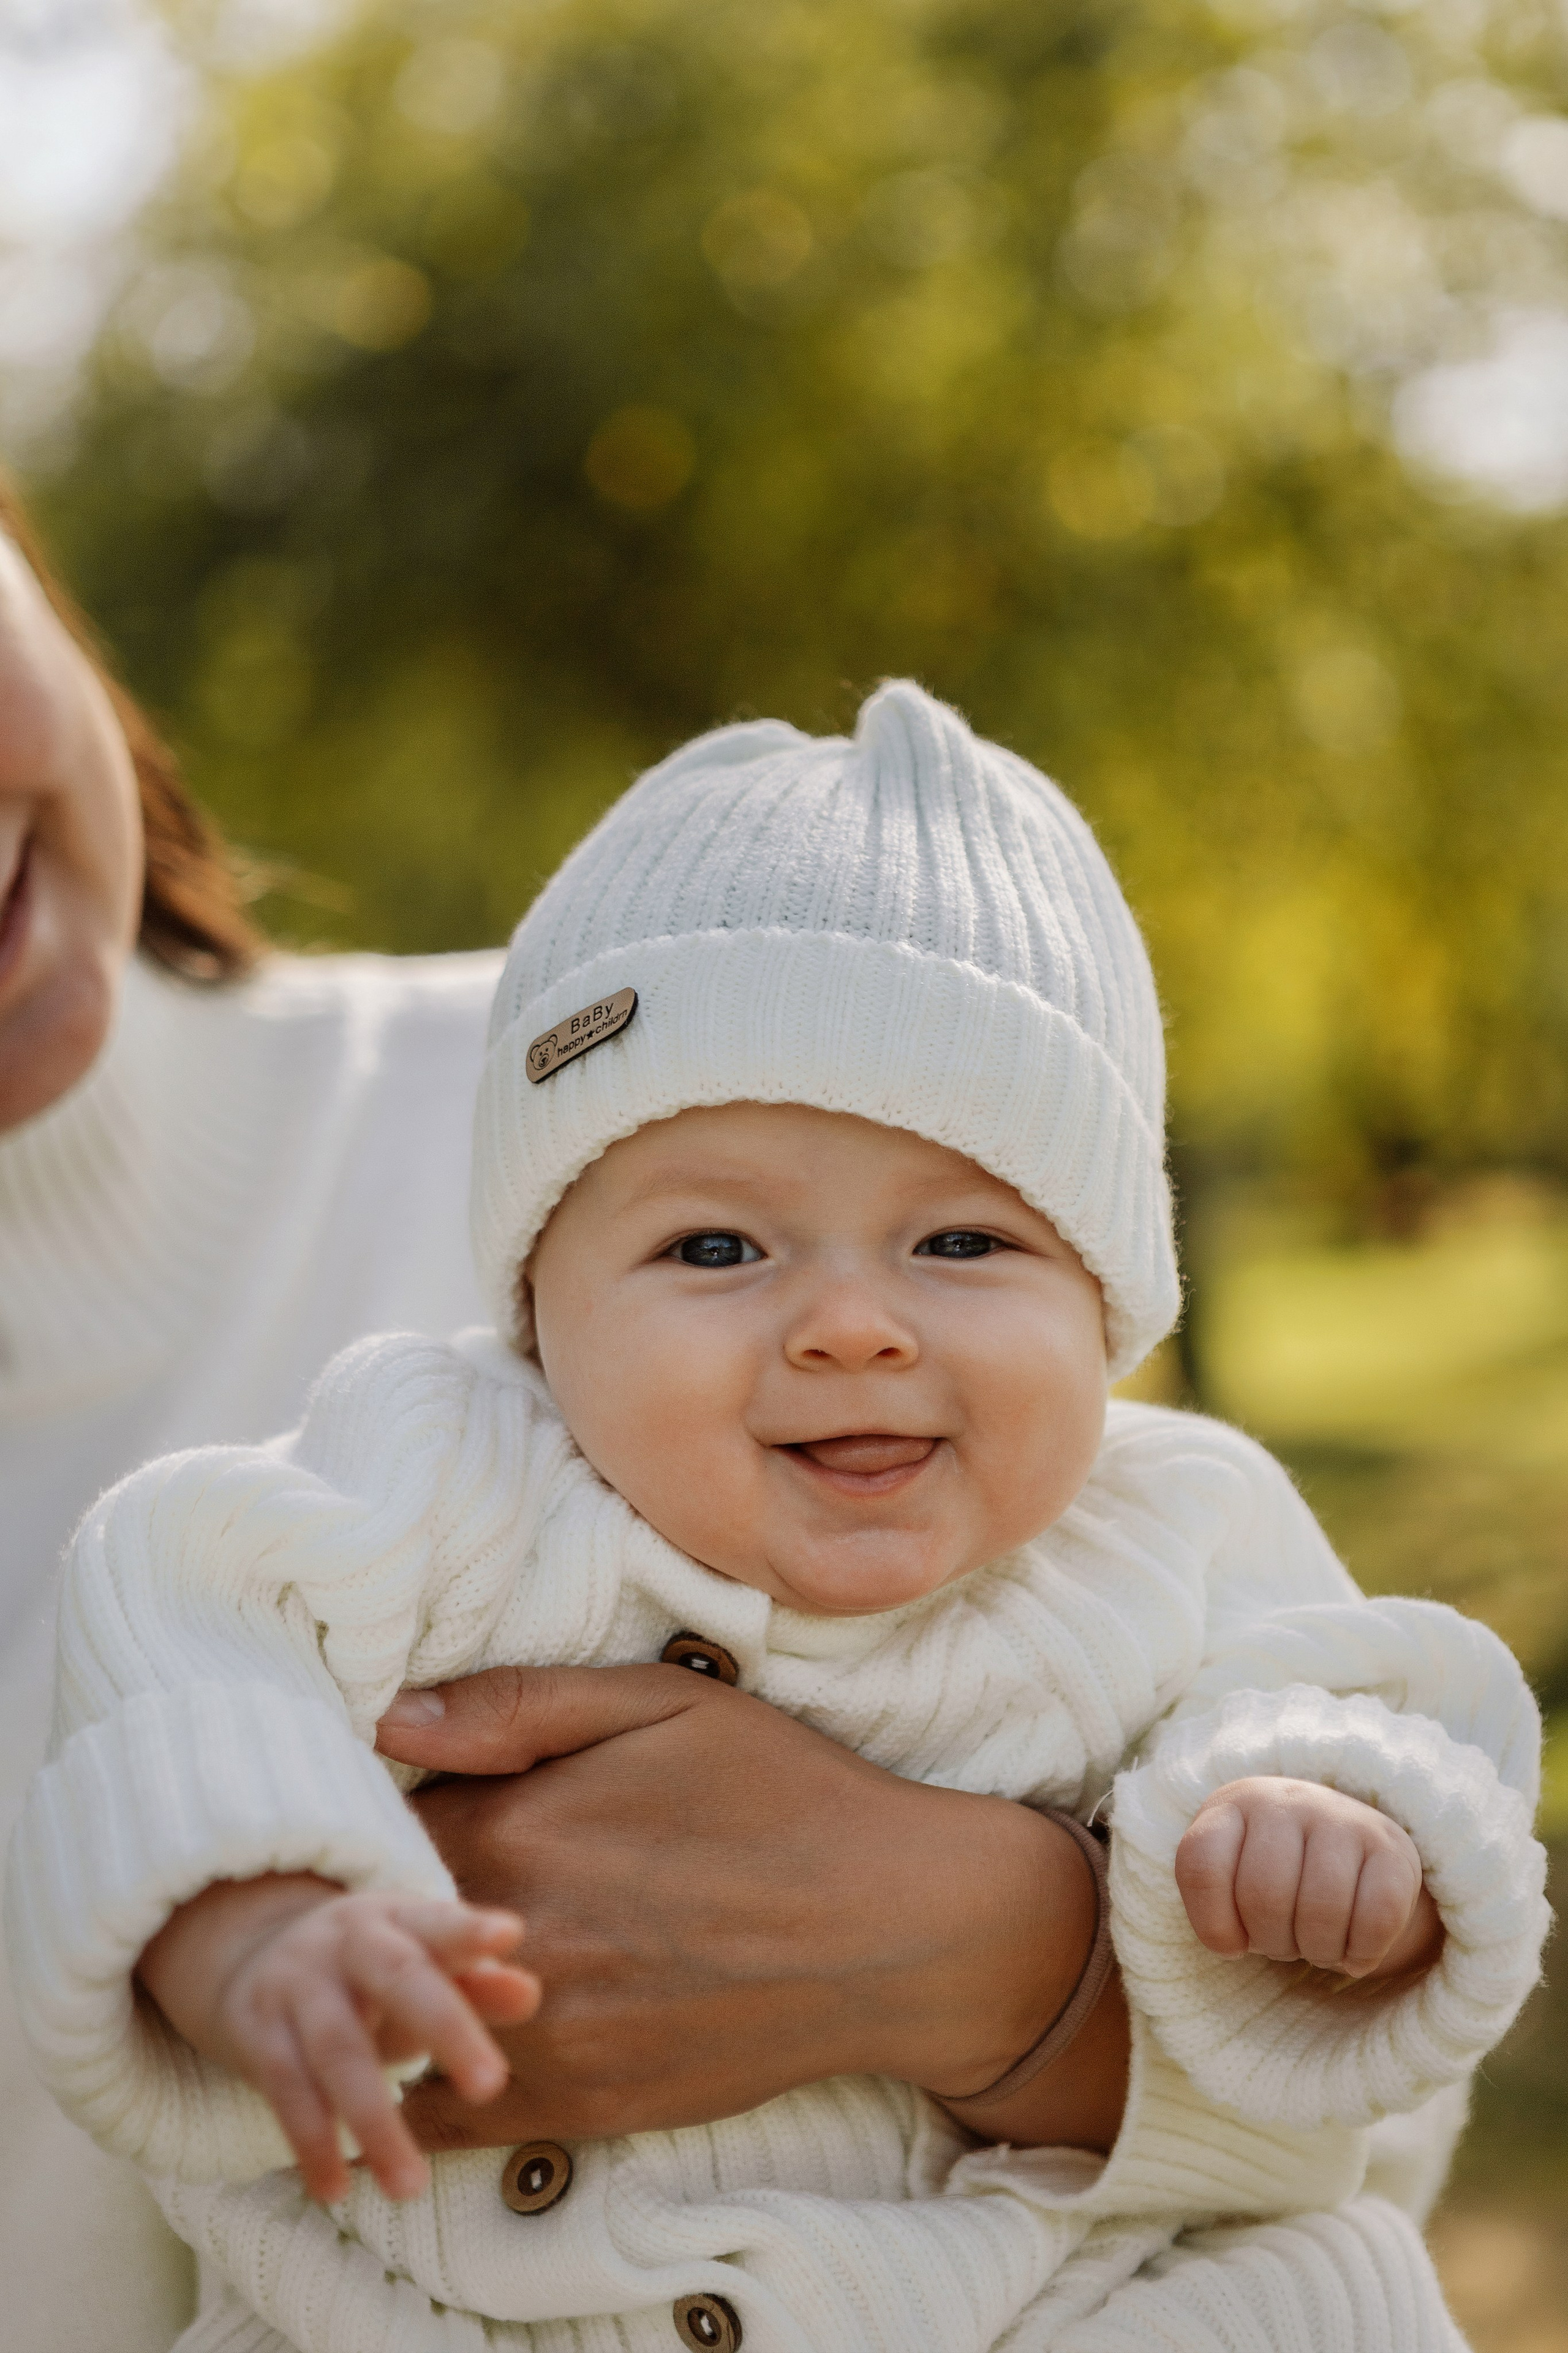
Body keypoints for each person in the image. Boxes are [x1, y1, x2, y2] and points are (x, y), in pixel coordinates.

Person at [9, 684, 1548, 2351]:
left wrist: (1331, 1842)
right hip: (468, 2310)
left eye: (962, 1244)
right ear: (539, 1309)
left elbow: (1372, 1720)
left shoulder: (1178, 1525)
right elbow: (192, 1633)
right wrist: (264, 1930)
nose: (853, 1326)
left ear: (1110, 1298)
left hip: (1048, 2299)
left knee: (1327, 2304)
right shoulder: (441, 1463)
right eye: (719, 1251)